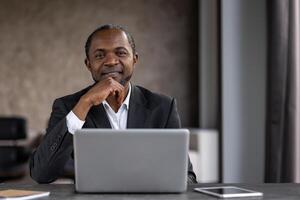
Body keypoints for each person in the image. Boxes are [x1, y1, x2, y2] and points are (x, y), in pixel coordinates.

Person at [29, 24, 197, 184]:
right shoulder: (67, 106)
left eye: (121, 53)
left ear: (135, 59)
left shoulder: (163, 107)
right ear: (88, 64)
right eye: (100, 55)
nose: (110, 61)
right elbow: (41, 174)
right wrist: (85, 103)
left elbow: (187, 177)